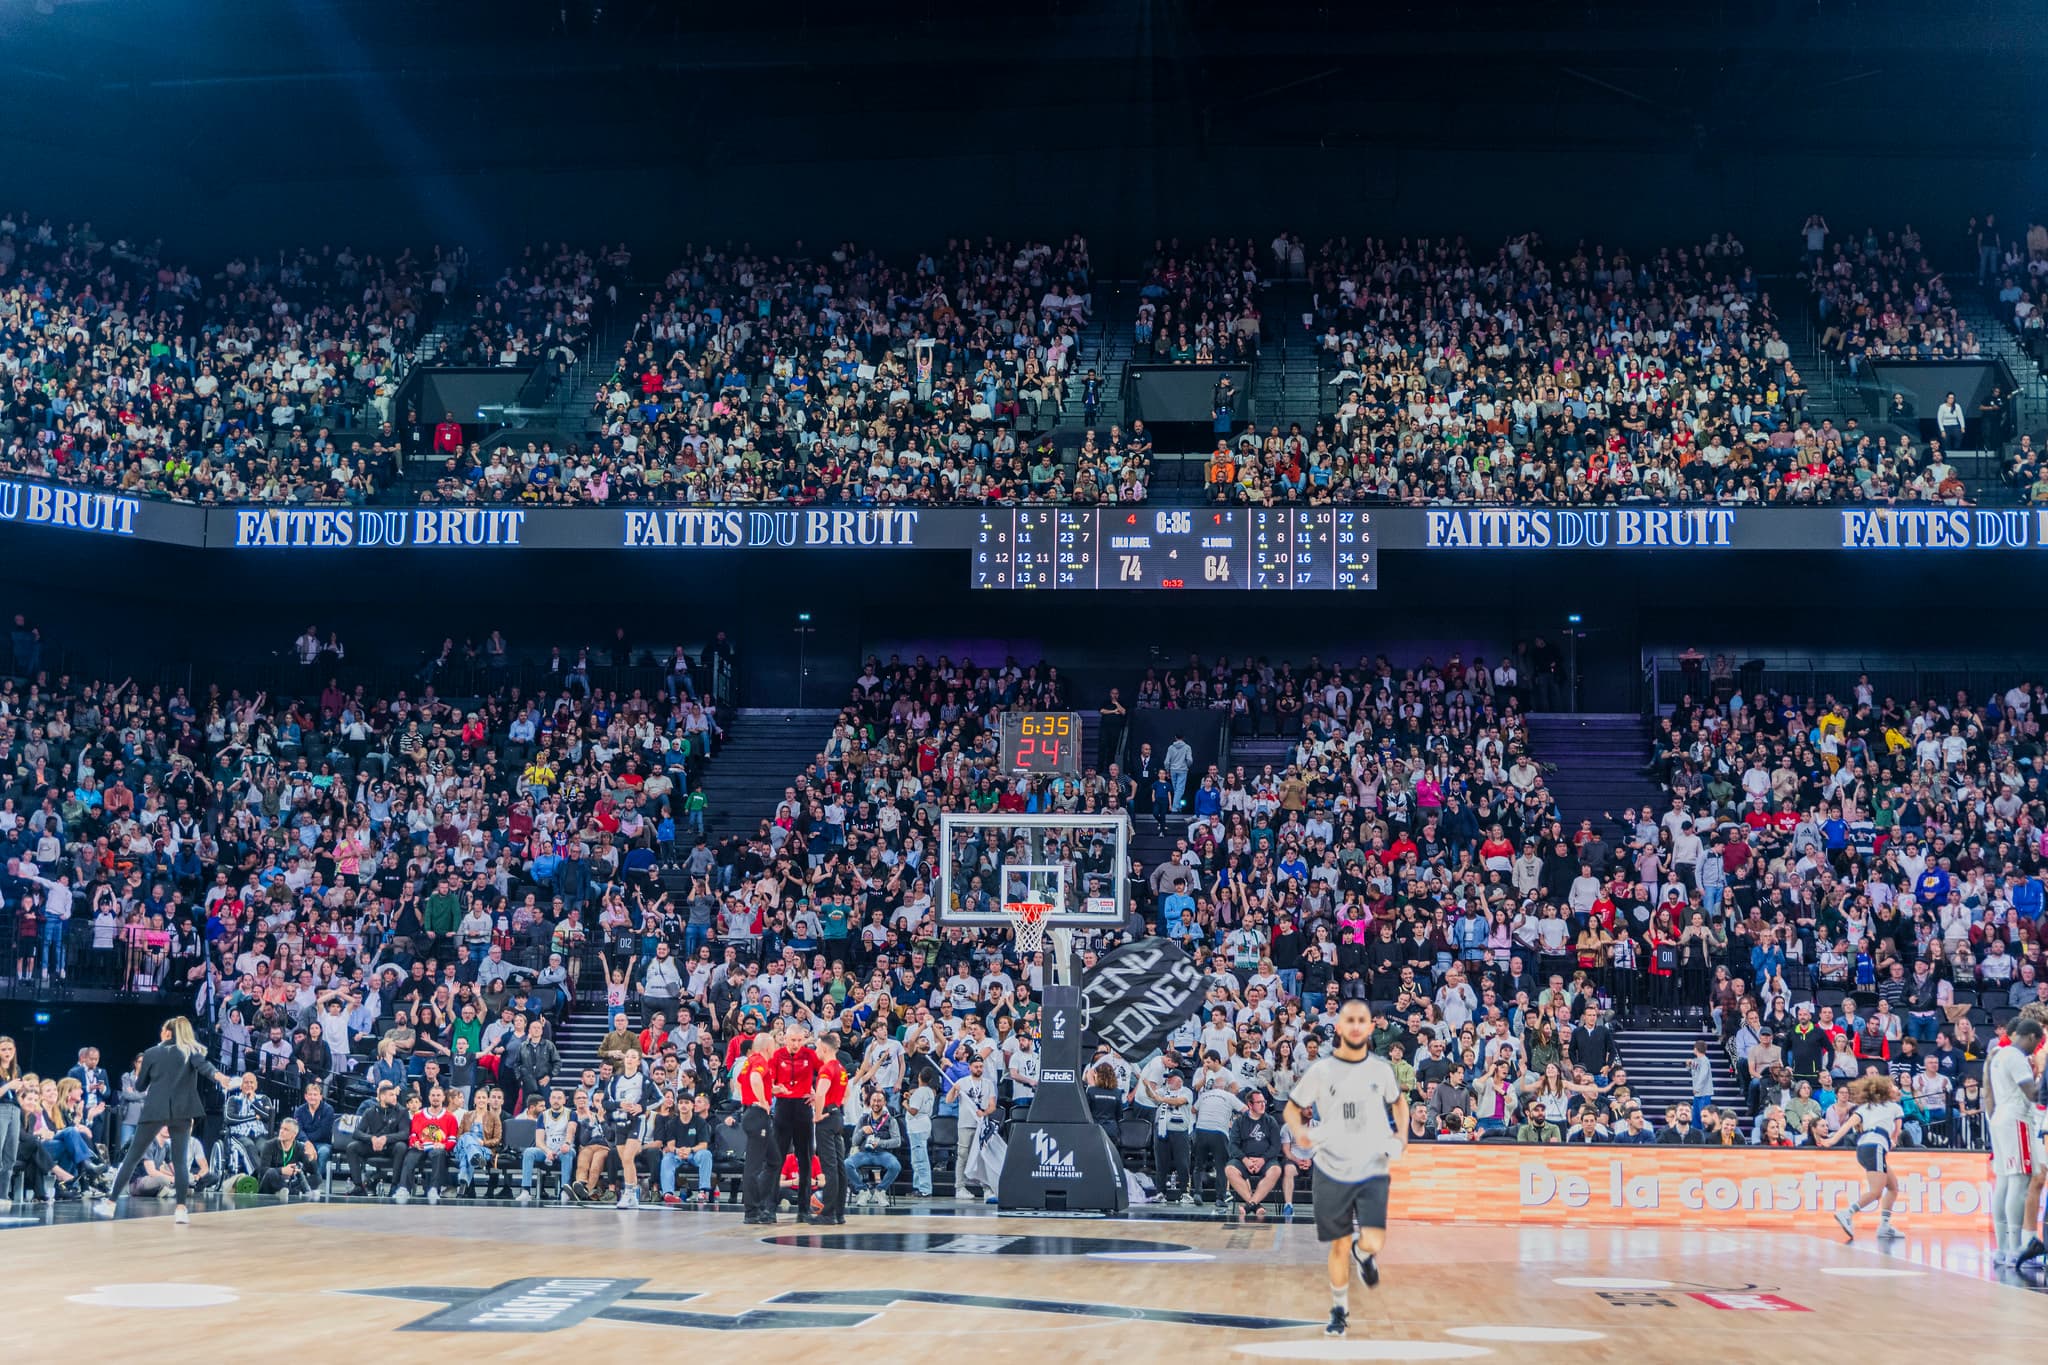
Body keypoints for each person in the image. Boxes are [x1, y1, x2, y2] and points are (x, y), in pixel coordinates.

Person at [1284, 999, 1408, 1339]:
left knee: (1373, 1238)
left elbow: (1399, 1103)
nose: (1355, 1026)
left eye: (1362, 1020)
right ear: (1338, 1027)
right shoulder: (1321, 1071)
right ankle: (1339, 1308)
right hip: (1330, 1165)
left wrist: (1401, 1136)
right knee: (1337, 1243)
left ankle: (1363, 1253)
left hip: (1372, 1164)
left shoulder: (1381, 1070)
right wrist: (1301, 1133)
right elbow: (1293, 1108)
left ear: (1370, 1028)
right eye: (1348, 1020)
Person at [94, 1017, 233, 1225]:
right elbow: (206, 1069)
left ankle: (111, 1204)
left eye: (162, 1031)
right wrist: (221, 1078)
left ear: (168, 1033)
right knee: (179, 1161)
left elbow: (140, 1087)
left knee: (132, 1157)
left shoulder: (151, 1053)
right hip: (183, 1111)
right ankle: (181, 1210)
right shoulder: (190, 1052)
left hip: (155, 1109)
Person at [1987, 1017, 2046, 1266]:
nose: (2036, 1049)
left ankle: (2003, 1248)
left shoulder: (1998, 1054)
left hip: (2000, 1117)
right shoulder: (2015, 1056)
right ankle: (2017, 1248)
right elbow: (2032, 1093)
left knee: (2004, 1182)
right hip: (2017, 1119)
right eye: (2037, 1043)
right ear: (2031, 1037)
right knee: (2020, 1181)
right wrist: (2044, 1078)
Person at [1830, 1074, 1906, 1242]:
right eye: (1893, 1086)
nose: (1897, 1088)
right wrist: (1892, 1140)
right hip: (1876, 1147)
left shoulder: (1865, 1107)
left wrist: (1832, 1140)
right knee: (1876, 1192)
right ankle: (1847, 1213)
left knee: (1893, 1187)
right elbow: (1896, 1134)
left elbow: (1847, 1125)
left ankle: (1885, 1225)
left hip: (1864, 1147)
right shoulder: (1895, 1107)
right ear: (1885, 1090)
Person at [736, 1032, 778, 1224]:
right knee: (753, 1166)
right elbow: (754, 1079)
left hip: (751, 1113)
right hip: (757, 1115)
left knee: (774, 1161)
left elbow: (739, 1083)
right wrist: (762, 1101)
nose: (777, 1047)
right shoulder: (761, 1060)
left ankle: (757, 1201)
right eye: (775, 1044)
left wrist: (771, 1090)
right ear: (768, 1047)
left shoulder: (749, 1059)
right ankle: (751, 1211)